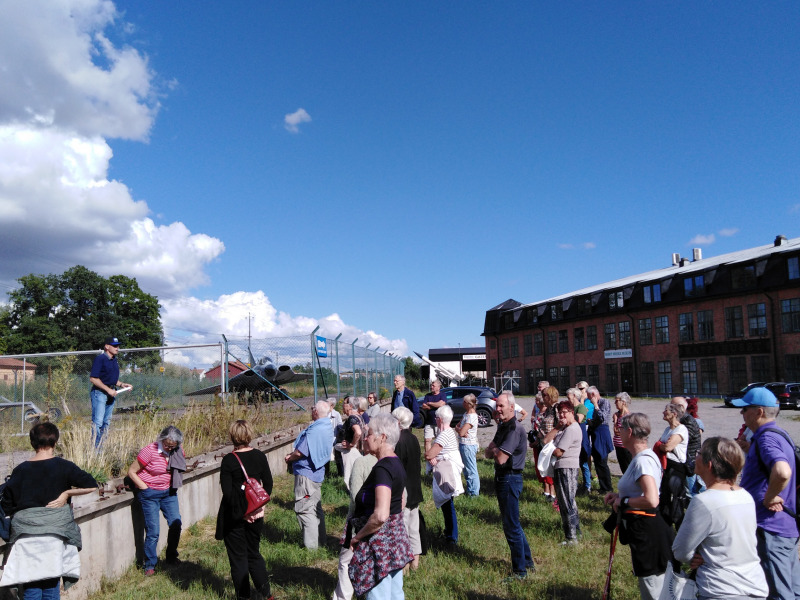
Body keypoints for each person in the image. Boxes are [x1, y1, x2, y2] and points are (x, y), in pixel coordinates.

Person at [0, 422, 97, 599]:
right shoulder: (64, 466)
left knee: (31, 588)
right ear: (55, 442)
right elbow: (92, 485)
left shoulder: (19, 470)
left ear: (32, 443)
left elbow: (7, 505)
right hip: (54, 537)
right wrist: (66, 493)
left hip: (26, 537)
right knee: (51, 587)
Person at [672, 437, 768, 600]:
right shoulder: (746, 496)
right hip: (754, 586)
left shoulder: (704, 501)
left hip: (721, 589)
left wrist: (697, 557)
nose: (695, 456)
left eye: (699, 453)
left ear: (709, 465)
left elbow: (680, 551)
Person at [732, 387, 800, 600]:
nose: (741, 414)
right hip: (784, 526)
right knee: (793, 590)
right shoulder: (777, 434)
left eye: (745, 410)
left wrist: (769, 497)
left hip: (771, 527)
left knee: (779, 593)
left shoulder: (766, 439)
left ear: (759, 412)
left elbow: (782, 471)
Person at [604, 413, 673, 600]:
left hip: (648, 533)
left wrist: (623, 502)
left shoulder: (643, 460)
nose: (617, 431)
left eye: (620, 428)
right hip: (641, 530)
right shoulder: (640, 458)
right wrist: (620, 496)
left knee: (653, 588)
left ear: (630, 432)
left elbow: (651, 499)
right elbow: (641, 492)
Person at [346, 414, 413, 599]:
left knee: (379, 594)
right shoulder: (396, 462)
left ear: (382, 437)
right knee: (394, 593)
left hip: (379, 545)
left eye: (369, 434)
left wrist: (357, 537)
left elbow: (381, 515)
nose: (365, 437)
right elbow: (401, 501)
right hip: (395, 541)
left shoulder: (383, 468)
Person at [216, 420, 274, 600]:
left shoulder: (229, 460)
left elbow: (228, 493)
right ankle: (266, 594)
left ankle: (244, 596)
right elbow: (268, 485)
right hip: (257, 515)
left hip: (234, 517)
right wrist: (258, 508)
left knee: (238, 559)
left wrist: (242, 513)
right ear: (249, 434)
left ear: (232, 436)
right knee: (254, 554)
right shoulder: (259, 455)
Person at [486, 392, 534, 581]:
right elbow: (488, 453)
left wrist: (495, 449)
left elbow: (500, 456)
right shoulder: (503, 426)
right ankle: (527, 562)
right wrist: (494, 449)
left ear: (512, 408)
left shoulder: (514, 428)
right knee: (513, 523)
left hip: (510, 478)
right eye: (496, 406)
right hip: (503, 478)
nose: (497, 410)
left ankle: (520, 571)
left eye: (501, 406)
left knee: (511, 526)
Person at [128, 425, 186, 575]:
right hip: (150, 494)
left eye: (172, 446)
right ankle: (150, 565)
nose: (169, 448)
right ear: (161, 440)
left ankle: (171, 556)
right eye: (167, 445)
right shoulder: (149, 451)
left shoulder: (178, 451)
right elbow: (132, 471)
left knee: (176, 523)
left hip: (169, 492)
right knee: (153, 531)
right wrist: (144, 487)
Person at [285, 400, 334, 549]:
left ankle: (312, 548)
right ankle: (321, 541)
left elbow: (301, 452)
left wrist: (289, 458)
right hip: (317, 474)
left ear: (316, 412)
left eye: (313, 408)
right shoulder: (327, 426)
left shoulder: (315, 430)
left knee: (305, 508)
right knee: (315, 507)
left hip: (307, 476)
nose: (311, 410)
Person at [332, 447, 378, 600]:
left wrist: (351, 519)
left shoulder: (362, 462)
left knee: (346, 560)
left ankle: (342, 596)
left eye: (368, 435)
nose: (364, 439)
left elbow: (355, 497)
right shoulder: (391, 461)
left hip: (359, 521)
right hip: (381, 522)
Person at [543, 400, 582, 545]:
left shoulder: (572, 429)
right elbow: (546, 439)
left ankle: (571, 537)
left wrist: (548, 450)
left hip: (568, 468)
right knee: (566, 501)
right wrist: (557, 427)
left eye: (564, 412)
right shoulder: (564, 428)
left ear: (572, 413)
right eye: (559, 413)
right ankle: (576, 532)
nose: (562, 415)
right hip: (560, 467)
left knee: (567, 503)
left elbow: (558, 452)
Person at [425, 405, 464, 545]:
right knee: (447, 505)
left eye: (436, 417)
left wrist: (429, 454)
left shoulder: (444, 434)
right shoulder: (449, 432)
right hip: (447, 473)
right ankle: (449, 532)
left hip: (447, 475)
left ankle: (452, 536)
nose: (435, 420)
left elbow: (429, 454)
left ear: (440, 419)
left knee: (448, 505)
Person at [392, 406, 424, 570]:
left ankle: (403, 565)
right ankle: (415, 562)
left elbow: (396, 469)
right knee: (414, 527)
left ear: (397, 422)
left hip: (403, 491)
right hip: (415, 488)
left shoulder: (398, 441)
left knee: (402, 529)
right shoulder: (413, 438)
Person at [89, 336, 133, 447]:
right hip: (99, 393)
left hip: (110, 394)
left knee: (106, 423)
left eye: (118, 346)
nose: (117, 348)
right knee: (98, 423)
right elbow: (93, 378)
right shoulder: (100, 359)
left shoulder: (114, 360)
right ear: (107, 346)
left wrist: (122, 384)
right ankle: (94, 451)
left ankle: (101, 449)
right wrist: (108, 390)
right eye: (114, 346)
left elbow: (112, 380)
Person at [655, 403, 688, 528]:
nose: (663, 412)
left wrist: (662, 446)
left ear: (674, 414)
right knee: (664, 498)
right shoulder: (668, 430)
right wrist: (661, 446)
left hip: (676, 469)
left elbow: (667, 447)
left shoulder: (681, 429)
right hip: (666, 467)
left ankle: (680, 529)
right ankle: (666, 527)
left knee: (676, 501)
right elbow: (659, 444)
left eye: (666, 410)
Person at [671, 396, 703, 498]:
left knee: (691, 492)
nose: (668, 409)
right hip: (686, 461)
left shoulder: (688, 421)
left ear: (680, 407)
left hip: (690, 462)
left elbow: (674, 443)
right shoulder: (682, 420)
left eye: (671, 406)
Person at [531, 386, 558, 503]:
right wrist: (537, 440)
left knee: (552, 469)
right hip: (543, 443)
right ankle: (549, 493)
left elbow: (560, 426)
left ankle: (554, 495)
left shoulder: (557, 408)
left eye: (545, 395)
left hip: (553, 444)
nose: (543, 398)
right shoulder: (548, 410)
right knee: (546, 468)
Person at [587, 386, 614, 494]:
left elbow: (603, 417)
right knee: (597, 461)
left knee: (602, 461)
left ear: (593, 394)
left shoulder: (604, 402)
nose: (589, 399)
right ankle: (602, 487)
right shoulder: (595, 404)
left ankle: (607, 487)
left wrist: (596, 405)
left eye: (589, 397)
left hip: (602, 434)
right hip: (595, 433)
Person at [567, 387, 592, 495]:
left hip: (581, 437)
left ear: (574, 396)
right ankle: (574, 484)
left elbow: (579, 419)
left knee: (584, 463)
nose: (567, 398)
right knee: (574, 463)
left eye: (569, 396)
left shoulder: (581, 407)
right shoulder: (570, 407)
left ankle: (587, 486)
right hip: (572, 437)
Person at [337, 397, 366, 490]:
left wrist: (352, 444)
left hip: (351, 451)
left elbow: (358, 432)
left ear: (350, 406)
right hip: (356, 450)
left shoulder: (352, 418)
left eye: (344, 403)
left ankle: (353, 494)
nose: (342, 405)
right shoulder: (358, 416)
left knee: (351, 475)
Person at [457, 393, 480, 496]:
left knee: (471, 469)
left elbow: (462, 432)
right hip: (463, 444)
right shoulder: (466, 415)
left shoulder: (472, 417)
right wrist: (460, 430)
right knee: (466, 469)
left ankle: (474, 493)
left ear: (469, 404)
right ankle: (470, 489)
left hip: (469, 445)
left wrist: (461, 430)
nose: (462, 404)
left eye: (464, 402)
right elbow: (457, 427)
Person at [421, 380, 447, 453]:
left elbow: (441, 404)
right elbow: (424, 406)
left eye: (433, 386)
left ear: (438, 387)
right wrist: (435, 405)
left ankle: (439, 454)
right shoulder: (427, 395)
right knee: (427, 440)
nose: (431, 387)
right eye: (431, 385)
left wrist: (430, 403)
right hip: (429, 422)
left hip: (439, 422)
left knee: (439, 440)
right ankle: (428, 456)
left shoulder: (442, 395)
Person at [613, 392, 633, 474]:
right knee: (623, 469)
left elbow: (618, 432)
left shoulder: (627, 416)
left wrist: (615, 422)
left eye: (617, 401)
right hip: (618, 445)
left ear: (623, 402)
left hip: (625, 447)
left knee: (628, 469)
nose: (615, 403)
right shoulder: (618, 415)